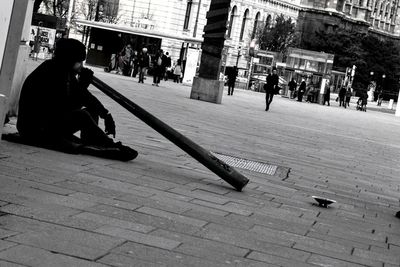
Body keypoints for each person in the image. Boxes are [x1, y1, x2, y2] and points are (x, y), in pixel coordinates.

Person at [16, 38, 138, 161]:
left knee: (91, 110)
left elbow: (86, 98)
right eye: (79, 62)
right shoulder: (51, 72)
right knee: (82, 115)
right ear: (68, 60)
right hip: (35, 129)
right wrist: (82, 85)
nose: (81, 66)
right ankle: (106, 144)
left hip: (49, 123)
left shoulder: (65, 71)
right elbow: (64, 106)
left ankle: (95, 141)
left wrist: (105, 114)